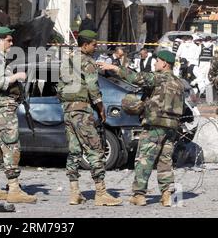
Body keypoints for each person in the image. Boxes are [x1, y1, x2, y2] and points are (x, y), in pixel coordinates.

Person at [99, 50, 185, 207]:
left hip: (155, 125)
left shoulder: (160, 78)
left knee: (144, 159)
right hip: (171, 127)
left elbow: (137, 78)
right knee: (165, 161)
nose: (155, 63)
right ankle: (166, 195)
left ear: (165, 64)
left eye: (157, 61)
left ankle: (139, 195)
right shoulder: (179, 83)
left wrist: (115, 68)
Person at [57, 30, 122, 206]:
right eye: (94, 44)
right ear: (84, 45)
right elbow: (93, 89)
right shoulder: (88, 62)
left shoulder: (67, 61)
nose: (96, 47)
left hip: (68, 111)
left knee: (75, 151)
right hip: (81, 111)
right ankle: (101, 193)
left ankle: (74, 193)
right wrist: (101, 109)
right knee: (95, 150)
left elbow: (60, 87)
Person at [0, 26, 37, 204]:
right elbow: (0, 82)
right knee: (11, 144)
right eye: (9, 40)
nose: (11, 43)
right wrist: (17, 76)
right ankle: (13, 188)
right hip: (3, 107)